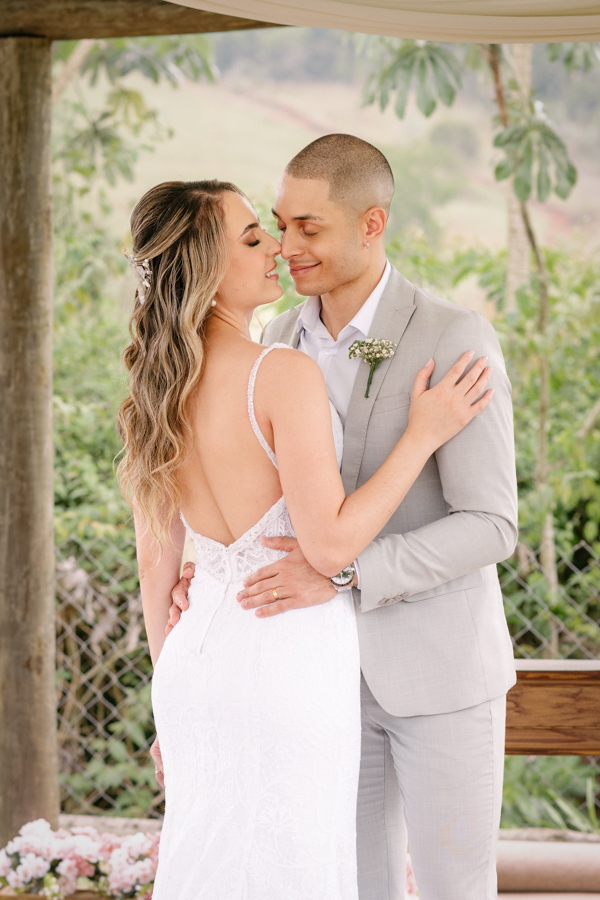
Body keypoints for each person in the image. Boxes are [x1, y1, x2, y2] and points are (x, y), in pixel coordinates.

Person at [117, 174, 493, 900]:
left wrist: (171, 700)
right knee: (298, 866)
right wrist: (422, 436)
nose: (276, 249)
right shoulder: (280, 373)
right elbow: (328, 548)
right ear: (202, 264)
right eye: (253, 236)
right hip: (286, 655)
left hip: (196, 663)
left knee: (210, 860)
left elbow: (154, 570)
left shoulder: (153, 389)